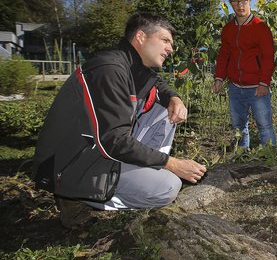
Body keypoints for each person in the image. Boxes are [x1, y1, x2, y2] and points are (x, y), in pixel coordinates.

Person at [33, 12, 207, 228]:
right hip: (71, 165)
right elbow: (112, 140)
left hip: (97, 151)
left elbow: (156, 84)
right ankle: (75, 198)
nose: (170, 49)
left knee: (165, 110)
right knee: (168, 187)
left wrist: (174, 97)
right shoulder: (109, 70)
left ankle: (142, 173)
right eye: (165, 41)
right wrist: (173, 164)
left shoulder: (132, 66)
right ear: (141, 37)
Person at [213, 0, 276, 148]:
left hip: (257, 86)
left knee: (264, 125)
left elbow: (268, 57)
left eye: (243, 0)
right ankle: (243, 157)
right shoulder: (227, 29)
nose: (240, 5)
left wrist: (264, 82)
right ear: (231, 3)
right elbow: (224, 55)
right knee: (239, 127)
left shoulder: (260, 28)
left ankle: (271, 160)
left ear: (250, 1)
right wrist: (219, 78)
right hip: (235, 86)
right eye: (235, 1)